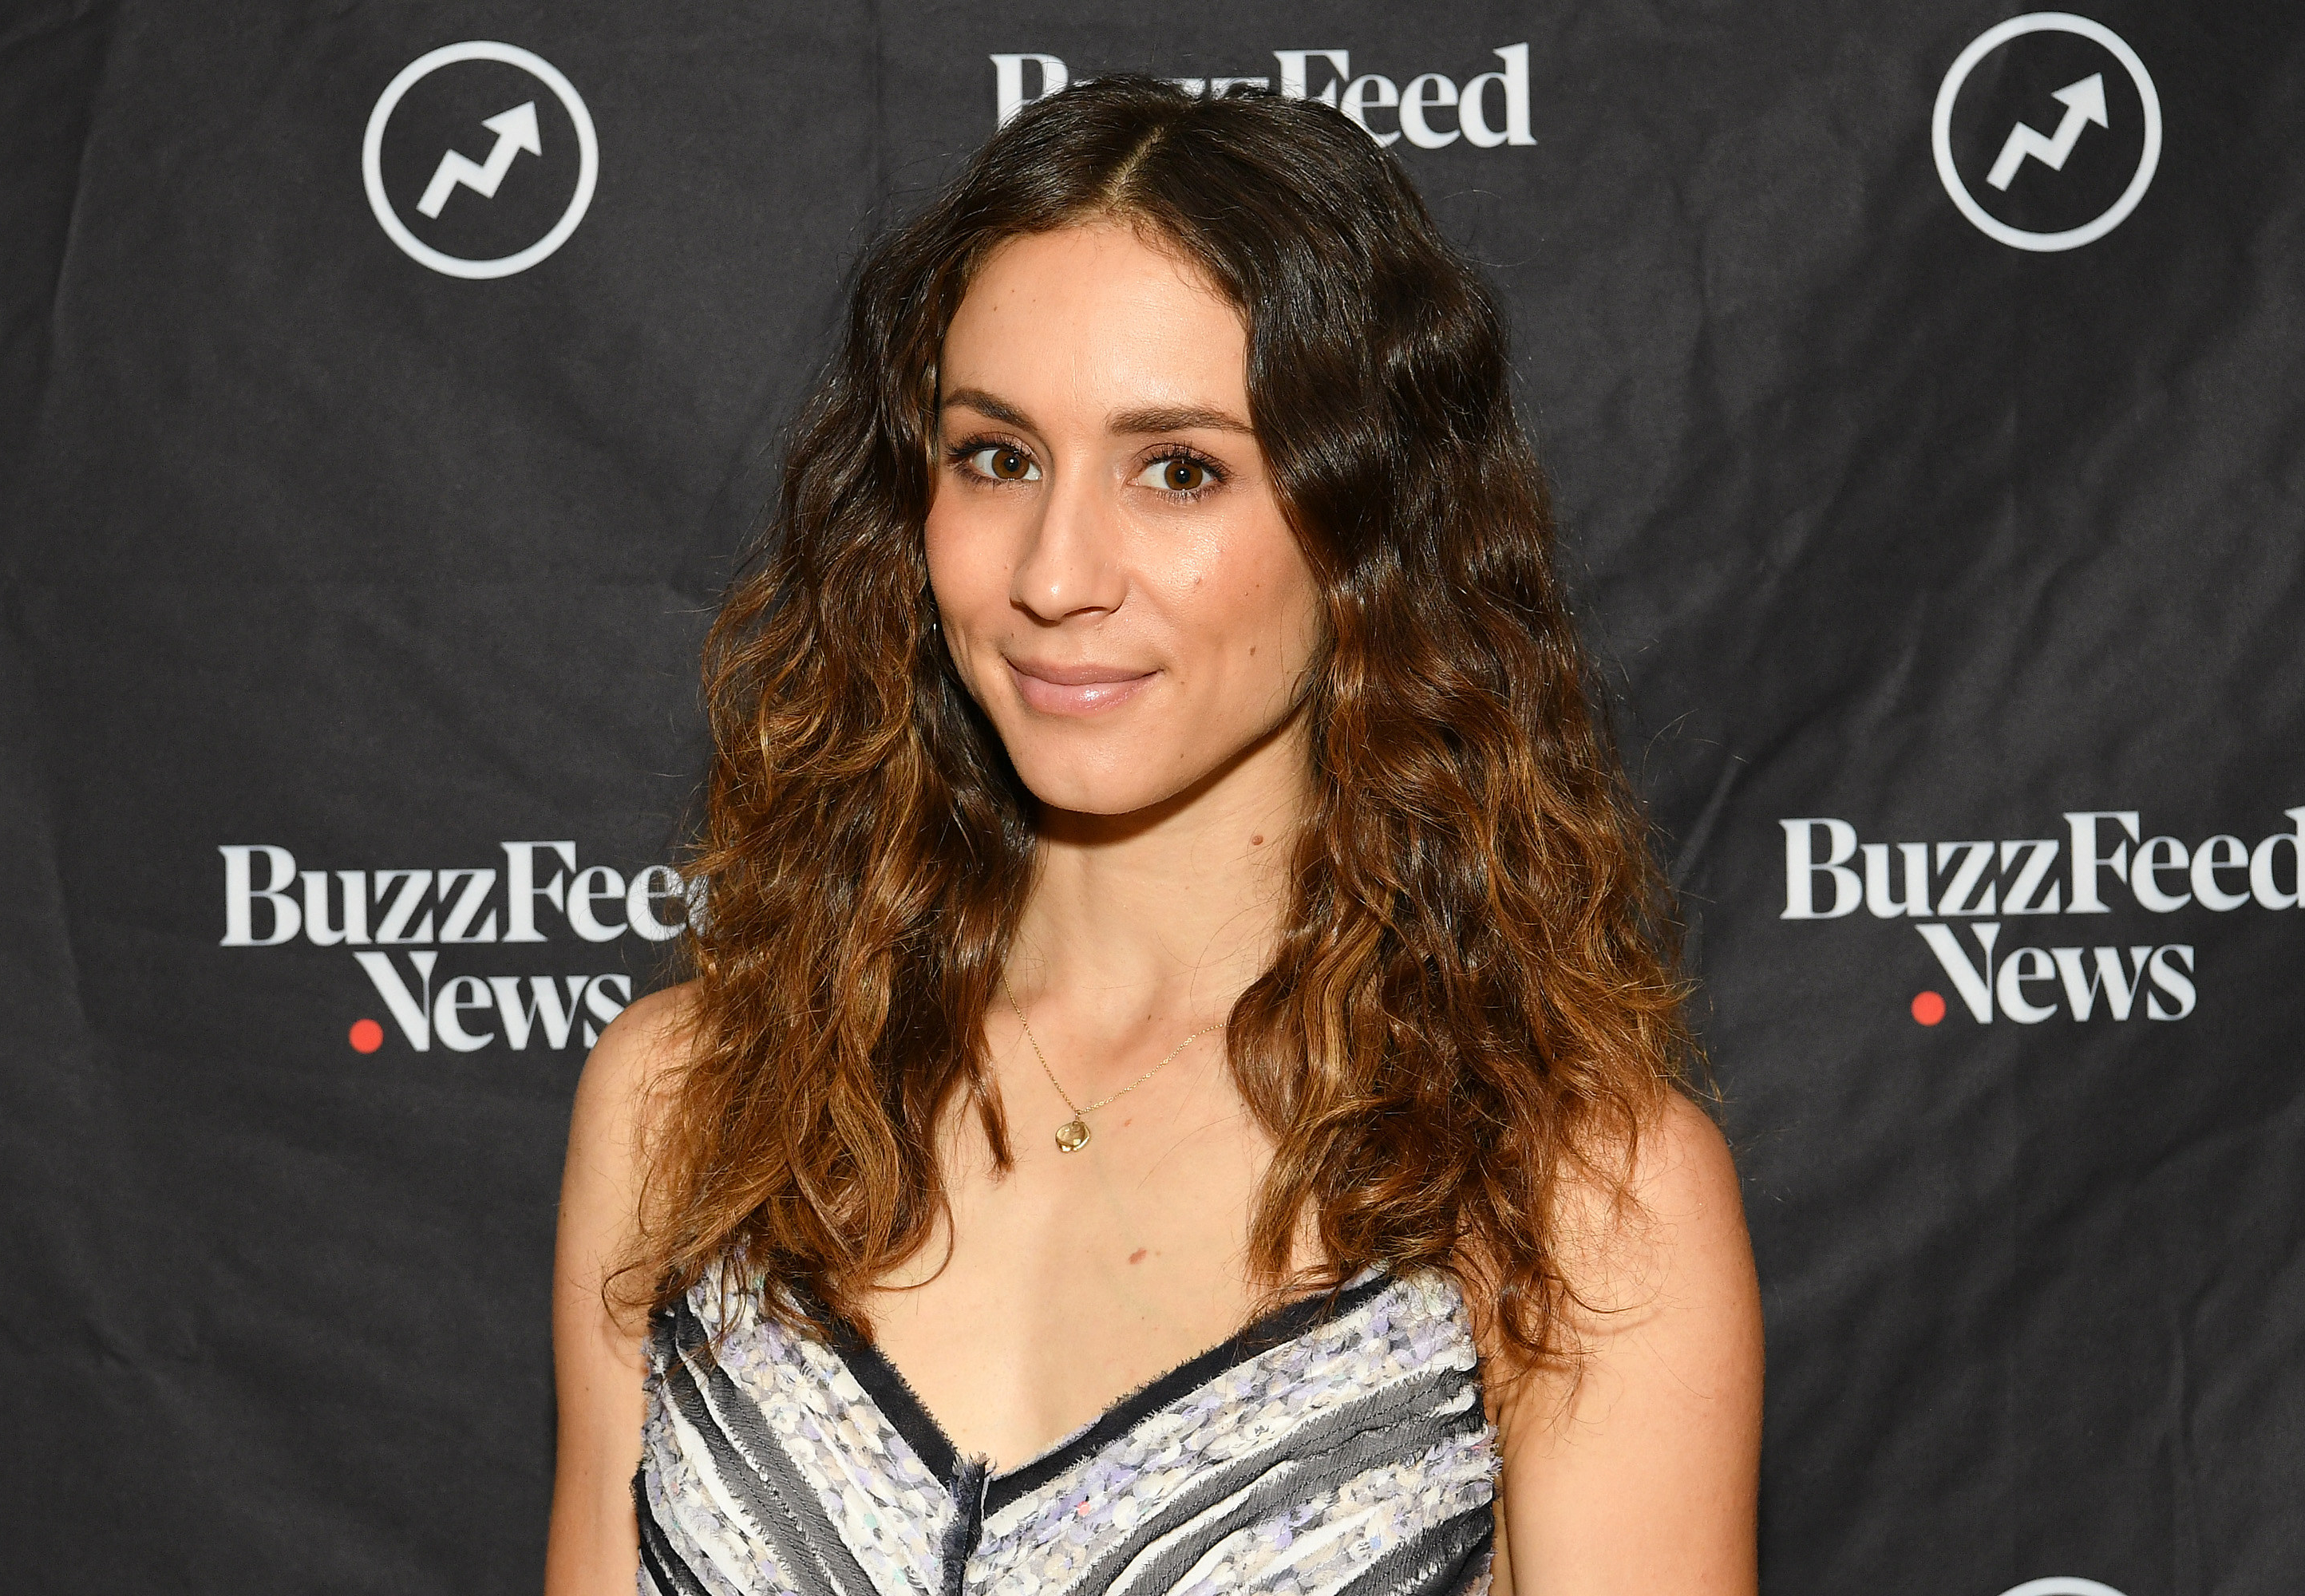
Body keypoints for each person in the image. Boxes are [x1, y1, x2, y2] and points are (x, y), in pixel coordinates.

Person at [547, 76, 1761, 1596]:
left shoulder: (1576, 1202)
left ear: (1370, 528)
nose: (1057, 572)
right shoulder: (690, 1108)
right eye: (996, 456)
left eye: (1179, 469)